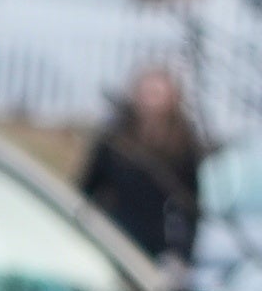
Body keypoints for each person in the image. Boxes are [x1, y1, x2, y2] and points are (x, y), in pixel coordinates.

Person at [80, 62, 207, 272]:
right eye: (147, 92)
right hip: (114, 232)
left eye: (157, 93)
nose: (151, 100)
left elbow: (189, 204)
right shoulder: (114, 138)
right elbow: (87, 188)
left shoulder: (183, 144)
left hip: (157, 242)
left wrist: (182, 254)